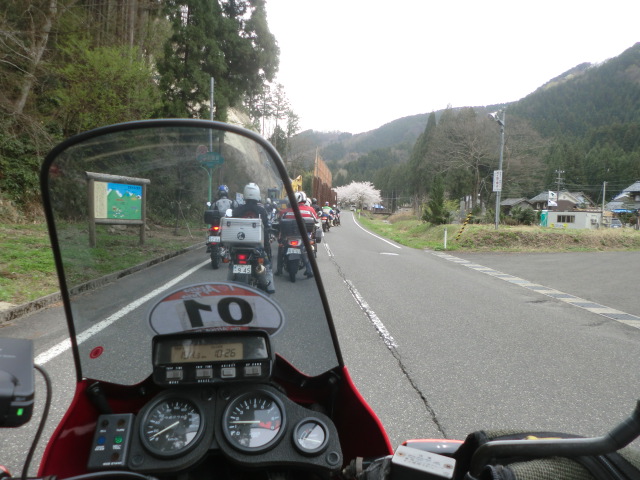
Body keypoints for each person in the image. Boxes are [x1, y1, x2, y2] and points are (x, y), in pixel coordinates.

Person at [231, 183, 275, 293]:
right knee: (267, 264)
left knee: (232, 263)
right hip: (256, 246)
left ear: (245, 194)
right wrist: (266, 248)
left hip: (238, 244)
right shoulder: (262, 210)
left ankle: (229, 285)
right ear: (257, 194)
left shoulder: (237, 210)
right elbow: (266, 227)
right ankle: (269, 286)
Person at [276, 191, 317, 278]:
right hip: (304, 236)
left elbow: (279, 222)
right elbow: (316, 220)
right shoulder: (310, 210)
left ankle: (279, 269)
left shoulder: (285, 211)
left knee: (281, 249)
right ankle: (309, 270)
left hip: (288, 236)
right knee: (308, 251)